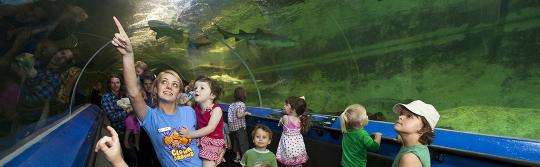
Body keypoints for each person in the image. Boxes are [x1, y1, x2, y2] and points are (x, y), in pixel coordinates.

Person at [107, 16, 202, 166]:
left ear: (179, 92)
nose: (169, 86)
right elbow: (133, 93)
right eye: (164, 82)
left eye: (175, 85)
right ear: (155, 89)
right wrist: (128, 55)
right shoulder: (150, 117)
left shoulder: (189, 111)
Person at [179, 76, 225, 167]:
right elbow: (181, 101)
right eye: (196, 88)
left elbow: (210, 129)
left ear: (212, 95)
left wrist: (189, 134)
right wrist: (187, 97)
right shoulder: (197, 107)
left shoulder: (216, 110)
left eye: (202, 88)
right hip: (201, 141)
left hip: (212, 143)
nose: (196, 90)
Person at [392, 100, 440, 167]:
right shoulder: (416, 146)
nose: (400, 117)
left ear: (424, 129)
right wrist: (401, 139)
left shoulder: (409, 159)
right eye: (401, 114)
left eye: (409, 116)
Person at [276, 96, 310, 167]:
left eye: (286, 105)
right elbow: (299, 107)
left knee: (288, 164)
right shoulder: (301, 118)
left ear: (293, 109)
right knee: (297, 164)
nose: (284, 106)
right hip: (298, 149)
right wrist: (299, 102)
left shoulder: (285, 118)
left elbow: (281, 120)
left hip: (288, 149)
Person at [228, 87, 251, 163]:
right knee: (243, 143)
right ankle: (244, 160)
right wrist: (246, 113)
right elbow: (239, 115)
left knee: (236, 142)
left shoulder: (232, 105)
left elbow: (230, 116)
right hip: (240, 127)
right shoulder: (241, 104)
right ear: (242, 95)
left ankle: (237, 157)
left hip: (233, 128)